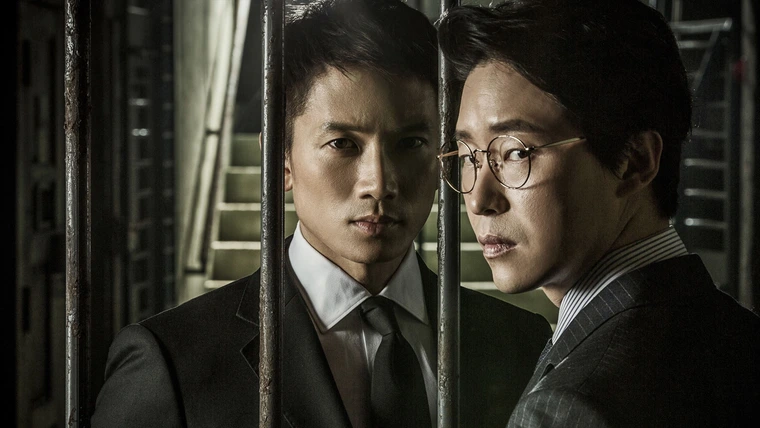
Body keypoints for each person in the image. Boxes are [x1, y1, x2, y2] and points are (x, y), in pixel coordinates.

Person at [91, 1, 552, 427]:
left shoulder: (519, 342)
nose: (380, 183)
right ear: (280, 160)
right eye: (343, 144)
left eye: (411, 143)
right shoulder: (173, 363)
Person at [437, 0, 760, 426]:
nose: (479, 200)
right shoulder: (741, 337)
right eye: (467, 156)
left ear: (635, 161)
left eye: (515, 152)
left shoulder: (574, 406)